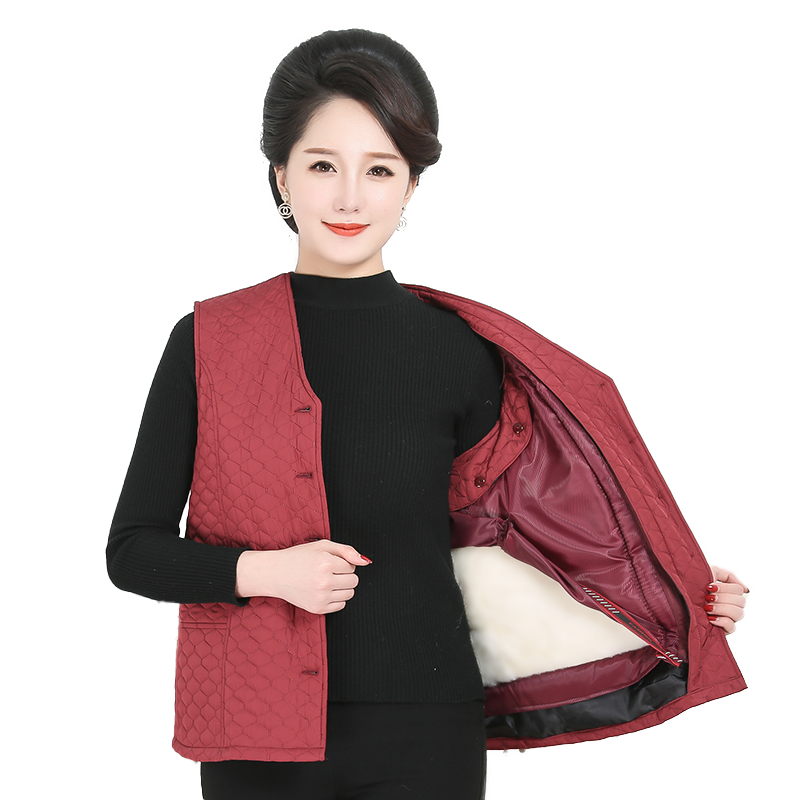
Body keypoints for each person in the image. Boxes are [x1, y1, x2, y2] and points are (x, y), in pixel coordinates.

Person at [106, 28, 749, 800]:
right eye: (322, 166)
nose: (350, 197)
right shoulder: (208, 341)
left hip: (428, 724)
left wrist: (677, 585)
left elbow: (521, 535)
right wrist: (267, 572)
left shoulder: (460, 349)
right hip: (254, 728)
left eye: (380, 169)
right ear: (281, 176)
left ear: (410, 185)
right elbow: (132, 551)